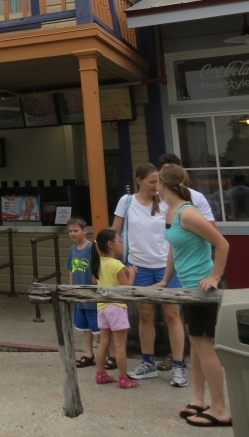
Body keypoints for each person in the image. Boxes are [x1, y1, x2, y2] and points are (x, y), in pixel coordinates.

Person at [155, 165, 232, 428]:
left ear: (163, 185)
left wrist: (214, 277)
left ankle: (220, 407)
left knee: (204, 346)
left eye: (157, 181)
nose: (154, 186)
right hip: (187, 287)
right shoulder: (171, 212)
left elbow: (222, 244)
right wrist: (165, 280)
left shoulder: (188, 213)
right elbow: (174, 248)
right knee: (196, 345)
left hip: (202, 290)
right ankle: (199, 399)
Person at [112, 163, 188, 386]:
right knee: (145, 316)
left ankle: (178, 366)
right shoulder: (126, 202)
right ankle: (148, 363)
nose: (156, 186)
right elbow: (114, 230)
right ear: (139, 180)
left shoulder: (166, 202)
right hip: (138, 266)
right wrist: (107, 258)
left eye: (159, 182)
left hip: (167, 266)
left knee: (172, 315)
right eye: (151, 181)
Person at [91, 229, 138, 389]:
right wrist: (131, 274)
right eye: (119, 241)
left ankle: (100, 373)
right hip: (117, 307)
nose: (122, 244)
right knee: (119, 346)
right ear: (110, 244)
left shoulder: (98, 263)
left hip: (102, 307)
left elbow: (96, 283)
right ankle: (123, 378)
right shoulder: (118, 265)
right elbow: (126, 289)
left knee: (104, 342)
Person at [64, 218, 99, 368]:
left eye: (76, 230)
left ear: (84, 231)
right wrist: (71, 288)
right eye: (70, 231)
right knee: (85, 327)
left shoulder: (92, 248)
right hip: (79, 295)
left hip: (92, 294)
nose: (73, 233)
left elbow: (98, 268)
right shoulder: (72, 250)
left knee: (99, 327)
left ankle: (109, 354)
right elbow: (71, 269)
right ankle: (89, 353)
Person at [158, 153, 216, 223]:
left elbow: (210, 224)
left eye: (172, 170)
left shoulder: (196, 197)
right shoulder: (154, 198)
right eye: (166, 170)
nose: (169, 173)